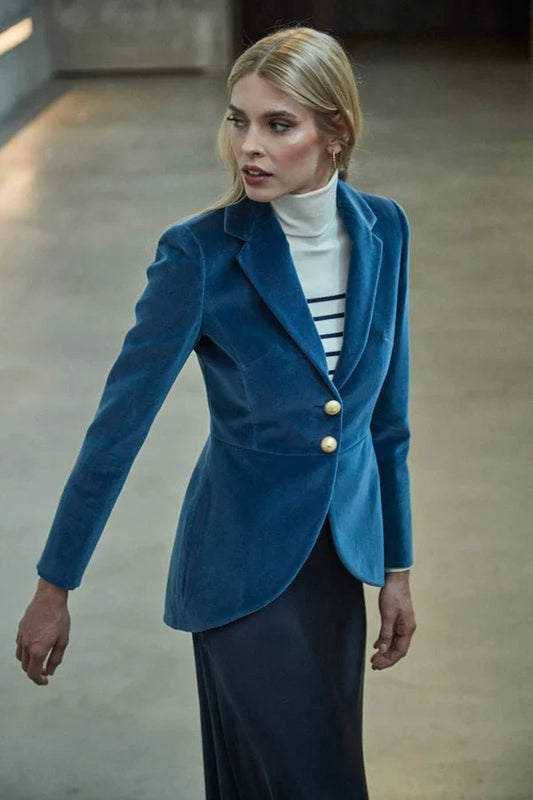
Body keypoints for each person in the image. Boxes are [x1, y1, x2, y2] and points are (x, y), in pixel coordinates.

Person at [16, 24, 417, 799]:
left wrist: (396, 568)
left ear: (335, 131)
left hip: (338, 570)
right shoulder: (199, 255)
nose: (248, 147)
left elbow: (386, 424)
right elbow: (116, 432)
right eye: (238, 120)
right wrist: (53, 586)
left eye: (278, 124)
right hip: (237, 575)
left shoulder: (385, 231)